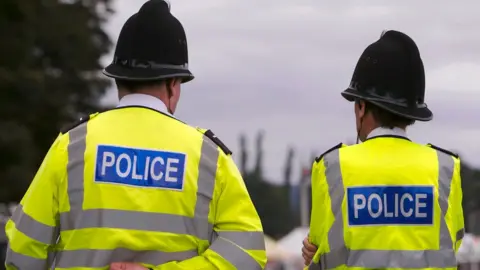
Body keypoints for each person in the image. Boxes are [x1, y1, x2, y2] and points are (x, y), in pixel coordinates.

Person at [4, 1, 267, 269]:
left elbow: (24, 248)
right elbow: (247, 254)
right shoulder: (209, 157)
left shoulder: (72, 145)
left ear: (118, 79)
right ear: (174, 84)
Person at [302, 30, 464, 269]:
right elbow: (453, 243)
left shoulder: (330, 167)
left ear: (361, 106)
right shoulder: (446, 168)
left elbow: (319, 251)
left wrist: (311, 258)